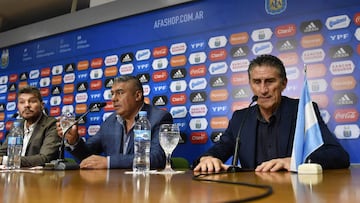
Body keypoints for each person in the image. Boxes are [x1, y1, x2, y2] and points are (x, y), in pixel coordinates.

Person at [193, 54, 350, 172]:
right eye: (257, 82)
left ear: (284, 83)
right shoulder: (240, 118)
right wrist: (208, 158)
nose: (263, 90)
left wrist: (296, 161)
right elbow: (220, 149)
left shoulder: (302, 111)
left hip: (293, 194)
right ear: (250, 84)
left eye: (269, 81)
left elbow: (338, 155)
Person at [57, 75, 173, 169]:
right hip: (114, 187)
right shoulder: (110, 122)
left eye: (120, 93)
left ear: (137, 95)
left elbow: (157, 158)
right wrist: (74, 141)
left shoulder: (159, 118)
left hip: (146, 187)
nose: (113, 98)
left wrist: (109, 162)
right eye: (112, 93)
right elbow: (88, 157)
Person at [0, 86, 61, 167]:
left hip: (41, 177)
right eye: (22, 102)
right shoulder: (16, 125)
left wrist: (5, 160)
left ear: (42, 105)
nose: (27, 105)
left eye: (32, 101)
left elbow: (44, 158)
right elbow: (3, 151)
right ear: (17, 106)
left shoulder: (51, 124)